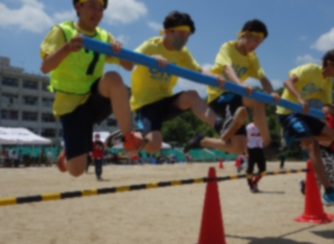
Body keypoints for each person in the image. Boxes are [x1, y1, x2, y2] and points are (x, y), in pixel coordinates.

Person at [108, 11, 241, 155]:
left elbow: (198, 70)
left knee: (192, 95)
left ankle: (220, 126)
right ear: (167, 32)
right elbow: (129, 63)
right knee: (154, 145)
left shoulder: (182, 52)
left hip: (166, 100)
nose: (184, 40)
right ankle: (126, 137)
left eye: (187, 36)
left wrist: (214, 76)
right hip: (145, 104)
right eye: (181, 35)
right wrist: (152, 57)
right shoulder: (152, 45)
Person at [40, 0, 145, 177]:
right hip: (71, 107)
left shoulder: (104, 36)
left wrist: (119, 51)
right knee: (77, 170)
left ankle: (128, 136)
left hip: (94, 98)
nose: (97, 12)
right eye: (92, 6)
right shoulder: (62, 31)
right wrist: (68, 48)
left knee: (114, 78)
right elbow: (45, 67)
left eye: (101, 8)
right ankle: (66, 157)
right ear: (78, 7)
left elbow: (128, 66)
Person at [185, 19, 280, 155]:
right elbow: (227, 68)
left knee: (238, 147)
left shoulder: (252, 57)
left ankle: (201, 141)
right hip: (219, 97)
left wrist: (272, 92)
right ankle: (268, 143)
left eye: (260, 42)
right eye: (256, 40)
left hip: (234, 97)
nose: (257, 45)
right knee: (257, 99)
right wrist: (240, 84)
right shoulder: (228, 47)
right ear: (246, 34)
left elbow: (262, 78)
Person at [277, 48, 334, 205]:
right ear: (329, 64)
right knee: (313, 146)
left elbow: (327, 105)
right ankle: (330, 191)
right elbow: (287, 82)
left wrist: (327, 109)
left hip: (302, 113)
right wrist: (300, 99)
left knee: (331, 135)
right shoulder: (311, 69)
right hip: (287, 112)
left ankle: (294, 136)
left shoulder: (328, 82)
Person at [246, 122, 266, 193]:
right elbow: (245, 139)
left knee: (263, 170)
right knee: (250, 170)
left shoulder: (263, 126)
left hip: (260, 149)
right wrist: (246, 152)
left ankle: (255, 182)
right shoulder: (248, 127)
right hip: (251, 149)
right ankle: (251, 185)